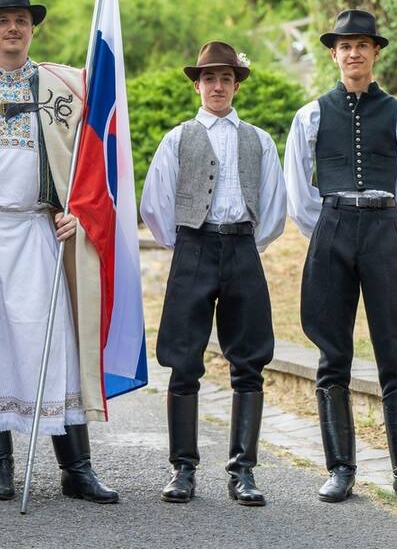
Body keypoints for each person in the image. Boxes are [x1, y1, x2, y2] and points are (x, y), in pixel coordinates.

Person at [0, 0, 118, 504]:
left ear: (32, 27)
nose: (12, 27)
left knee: (55, 341)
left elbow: (96, 156)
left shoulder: (68, 85)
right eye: (2, 20)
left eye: (20, 19)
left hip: (40, 226)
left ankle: (77, 467)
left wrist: (78, 212)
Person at [284, 10, 397, 507]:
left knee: (395, 350)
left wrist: (380, 222)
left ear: (375, 52)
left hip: (384, 228)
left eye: (362, 45)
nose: (354, 53)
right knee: (332, 351)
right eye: (345, 45)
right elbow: (298, 189)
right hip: (332, 226)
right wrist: (329, 226)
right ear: (333, 53)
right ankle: (340, 469)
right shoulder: (310, 115)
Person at [140, 41, 286, 506]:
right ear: (198, 85)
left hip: (243, 247)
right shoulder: (178, 138)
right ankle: (182, 469)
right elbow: (155, 204)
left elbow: (275, 206)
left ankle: (243, 471)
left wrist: (247, 243)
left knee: (249, 360)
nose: (217, 86)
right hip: (194, 248)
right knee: (183, 361)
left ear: (236, 84)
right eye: (209, 78)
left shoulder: (258, 140)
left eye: (225, 78)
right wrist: (186, 242)